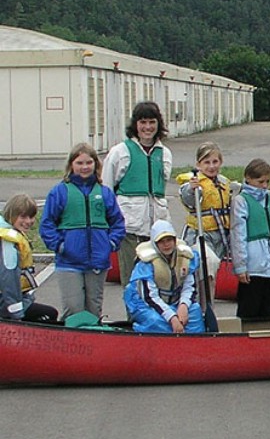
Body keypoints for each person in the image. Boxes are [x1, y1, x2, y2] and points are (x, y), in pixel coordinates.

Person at [40, 142, 126, 318]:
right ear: (71, 165)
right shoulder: (60, 192)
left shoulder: (104, 193)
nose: (85, 167)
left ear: (95, 164)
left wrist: (109, 244)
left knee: (94, 309)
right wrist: (60, 246)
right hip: (69, 262)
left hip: (98, 262)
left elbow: (117, 223)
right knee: (73, 308)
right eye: (79, 163)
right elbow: (47, 224)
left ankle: (94, 342)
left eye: (89, 162)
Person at [103, 101, 172, 288]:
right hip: (129, 230)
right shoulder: (120, 152)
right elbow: (107, 190)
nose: (147, 127)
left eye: (152, 122)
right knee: (132, 282)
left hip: (156, 230)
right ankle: (132, 317)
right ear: (135, 124)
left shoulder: (164, 154)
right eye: (143, 122)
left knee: (158, 281)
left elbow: (161, 190)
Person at [230, 159, 270, 320]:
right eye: (260, 181)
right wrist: (240, 266)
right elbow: (238, 235)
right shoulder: (241, 201)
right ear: (248, 179)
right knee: (249, 308)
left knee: (268, 308)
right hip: (253, 264)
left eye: (267, 181)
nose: (264, 186)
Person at [123, 220, 205, 333]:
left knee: (195, 312)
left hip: (176, 302)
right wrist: (172, 318)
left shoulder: (186, 259)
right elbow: (150, 297)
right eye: (161, 241)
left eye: (169, 240)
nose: (166, 244)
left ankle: (192, 346)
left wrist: (183, 306)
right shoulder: (146, 265)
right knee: (155, 321)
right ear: (155, 244)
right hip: (148, 305)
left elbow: (189, 287)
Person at [176, 142, 232, 300]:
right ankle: (201, 303)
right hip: (200, 236)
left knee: (212, 269)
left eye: (215, 162)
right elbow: (188, 198)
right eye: (206, 162)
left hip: (220, 236)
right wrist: (191, 189)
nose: (211, 166)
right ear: (198, 165)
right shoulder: (193, 183)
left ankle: (207, 304)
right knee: (208, 264)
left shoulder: (224, 182)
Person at [0, 194, 58, 322]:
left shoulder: (10, 233)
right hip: (4, 302)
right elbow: (8, 280)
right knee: (49, 315)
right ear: (11, 214)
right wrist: (17, 314)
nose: (28, 221)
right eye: (23, 216)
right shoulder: (7, 242)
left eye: (31, 217)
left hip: (11, 299)